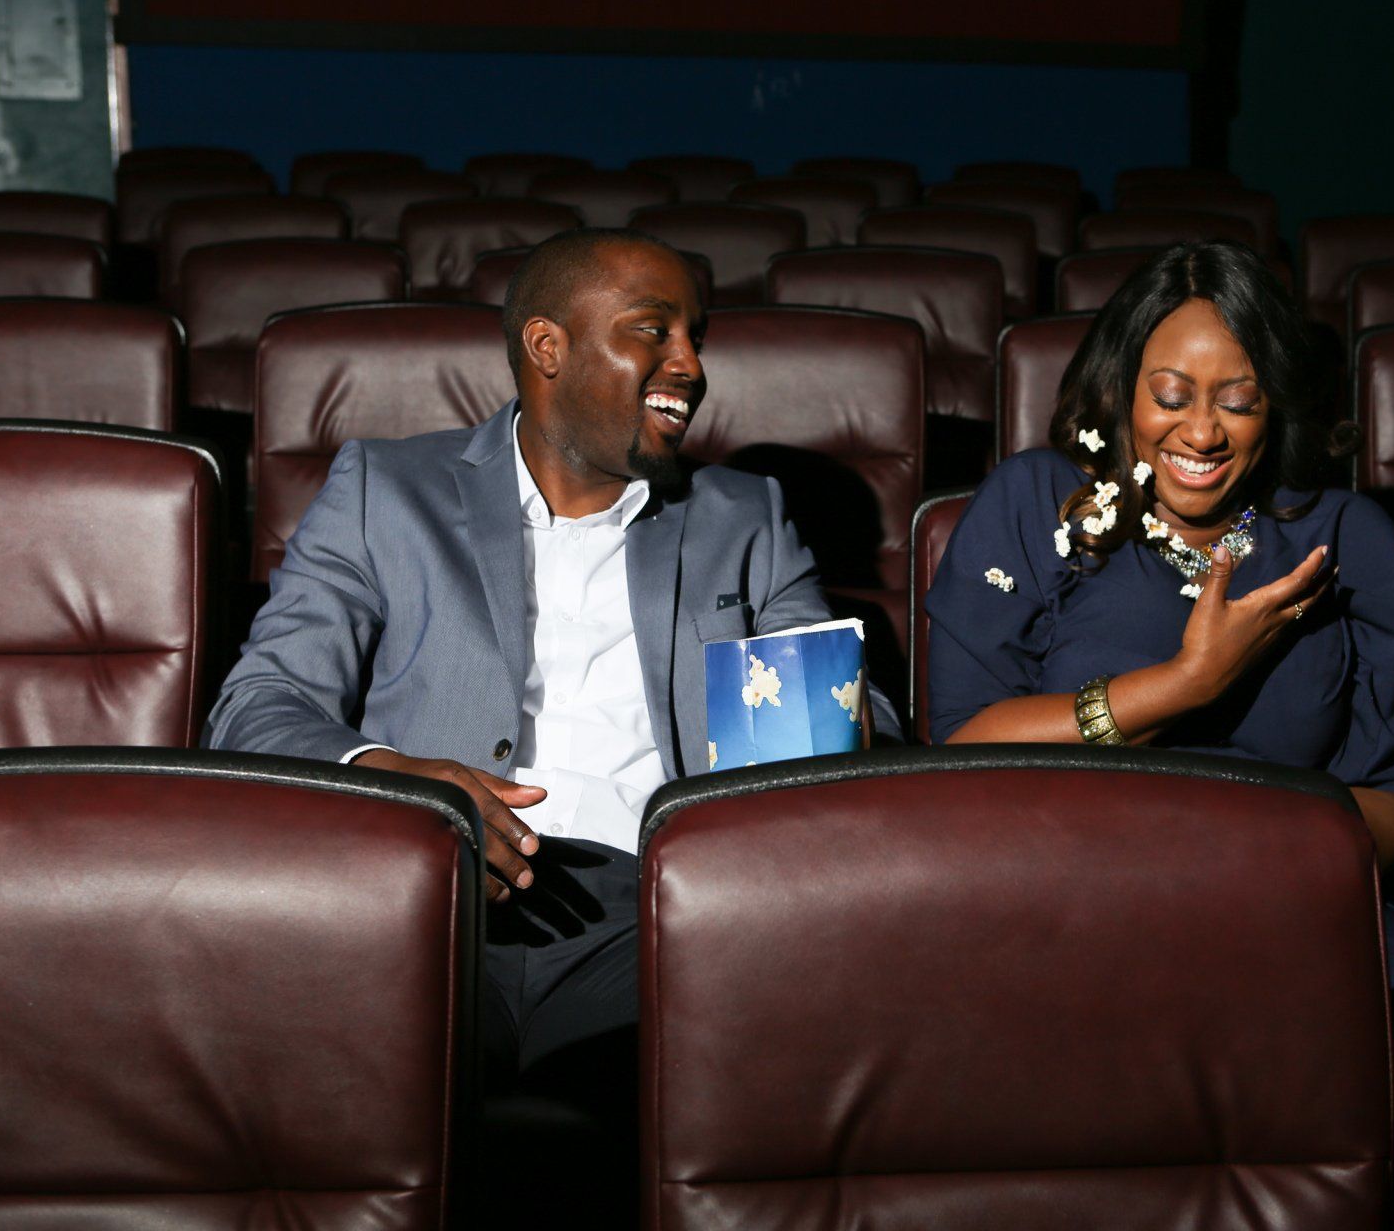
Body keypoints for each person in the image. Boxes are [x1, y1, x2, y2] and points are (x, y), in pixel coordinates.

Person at [206, 227, 900, 1219]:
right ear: (548, 346)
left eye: (695, 337)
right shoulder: (384, 489)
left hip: (652, 916)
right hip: (420, 905)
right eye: (651, 333)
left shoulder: (743, 516)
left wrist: (827, 725)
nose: (692, 367)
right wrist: (396, 785)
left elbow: (852, 713)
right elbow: (260, 703)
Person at [925, 240, 1394, 1229]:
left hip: (1297, 909)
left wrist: (1257, 882)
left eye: (1240, 398)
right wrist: (1185, 683)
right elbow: (964, 749)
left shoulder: (1344, 538)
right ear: (1121, 393)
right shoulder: (1036, 500)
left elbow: (1385, 809)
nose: (1203, 431)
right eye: (1171, 393)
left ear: (1278, 409)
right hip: (1062, 895)